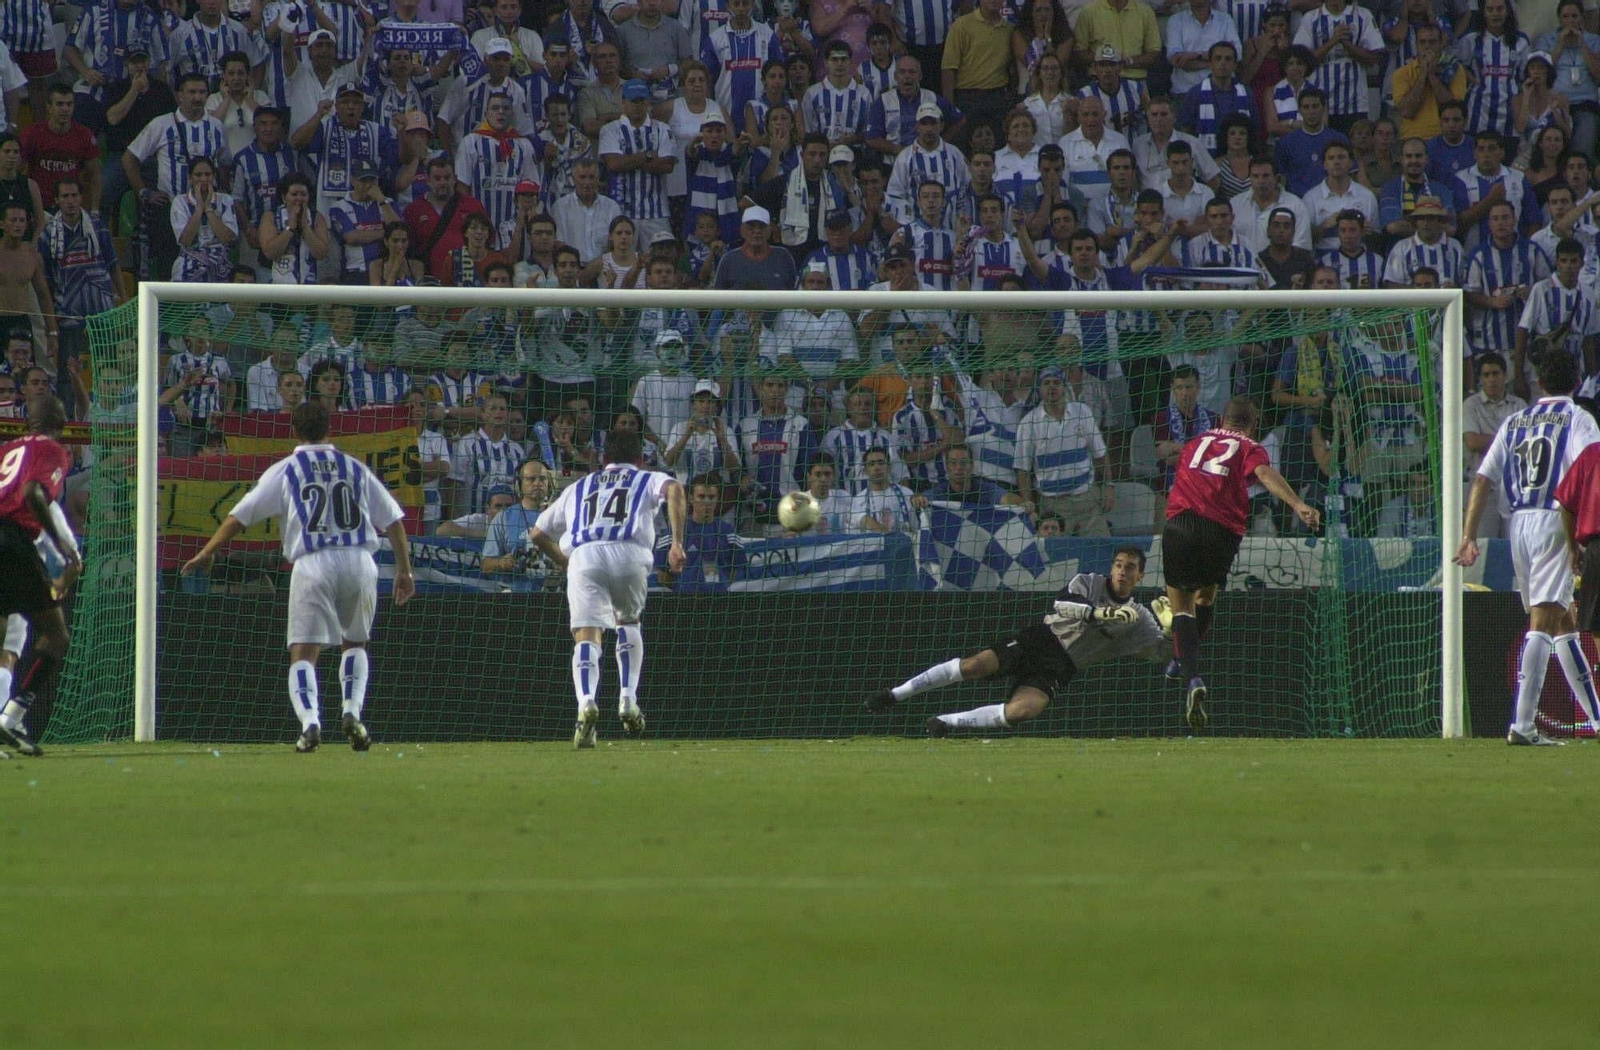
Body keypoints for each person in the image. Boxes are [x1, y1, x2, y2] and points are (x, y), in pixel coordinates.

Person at [181, 400, 415, 752]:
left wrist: (208, 550)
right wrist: (404, 571)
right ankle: (352, 712)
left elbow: (238, 516)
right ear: (329, 428)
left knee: (303, 652)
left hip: (313, 561)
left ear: (294, 430)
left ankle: (310, 723)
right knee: (355, 642)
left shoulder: (287, 469)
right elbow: (394, 521)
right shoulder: (354, 468)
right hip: (359, 559)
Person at [863, 548, 1169, 735]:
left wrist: (1170, 631)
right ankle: (895, 694)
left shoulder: (1139, 617)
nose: (1122, 571)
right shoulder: (1090, 581)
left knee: (1023, 711)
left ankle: (945, 722)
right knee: (974, 666)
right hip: (1041, 639)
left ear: (1140, 576)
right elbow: (1062, 603)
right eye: (1118, 564)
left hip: (1063, 667)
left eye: (1130, 567)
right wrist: (1098, 613)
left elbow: (1160, 654)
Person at [1455, 350, 1600, 745]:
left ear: (1539, 383)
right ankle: (1522, 725)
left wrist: (1468, 536)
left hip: (1518, 522)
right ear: (1576, 382)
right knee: (1544, 621)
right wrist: (1582, 534)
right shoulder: (1578, 418)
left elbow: (1482, 479)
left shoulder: (1515, 421)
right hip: (1556, 519)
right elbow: (1591, 468)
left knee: (1562, 623)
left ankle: (1597, 719)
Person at [1162, 396, 1320, 730]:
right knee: (1205, 598)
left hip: (1181, 523)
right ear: (1254, 424)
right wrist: (1297, 504)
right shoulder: (1252, 447)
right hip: (1221, 532)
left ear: (1221, 419)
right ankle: (1180, 658)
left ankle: (1190, 675)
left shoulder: (1195, 441)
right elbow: (1263, 473)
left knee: (1181, 608)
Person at [528, 430, 686, 748]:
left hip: (585, 555)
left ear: (603, 460)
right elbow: (676, 490)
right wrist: (677, 543)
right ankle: (627, 698)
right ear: (640, 459)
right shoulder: (646, 478)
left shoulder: (578, 487)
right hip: (630, 552)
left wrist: (564, 561)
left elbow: (537, 533)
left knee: (587, 635)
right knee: (628, 622)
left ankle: (585, 702)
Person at [0, 395, 81, 757]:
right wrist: (63, 549)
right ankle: (12, 716)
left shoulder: (8, 449)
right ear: (61, 421)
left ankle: (8, 720)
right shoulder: (52, 451)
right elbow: (34, 493)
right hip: (11, 540)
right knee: (56, 635)